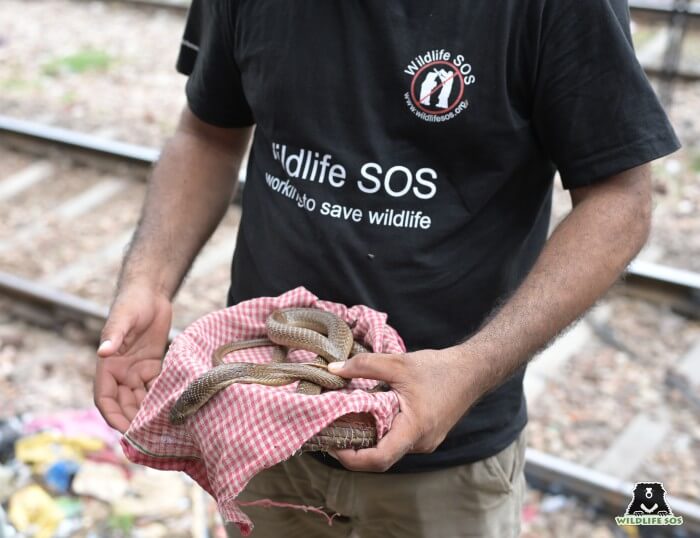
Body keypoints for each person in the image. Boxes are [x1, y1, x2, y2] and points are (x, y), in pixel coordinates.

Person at [94, 0, 680, 536]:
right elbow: (206, 135)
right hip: (259, 431)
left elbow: (620, 201)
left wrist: (467, 371)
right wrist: (147, 280)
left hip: (444, 465)